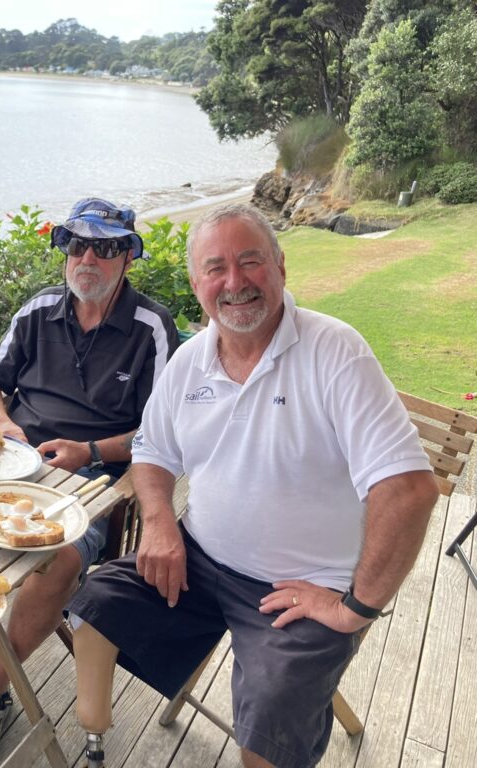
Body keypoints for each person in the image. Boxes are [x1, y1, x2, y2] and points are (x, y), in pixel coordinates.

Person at [67, 203, 439, 768]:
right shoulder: (189, 362)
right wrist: (162, 524)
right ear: (197, 285)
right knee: (94, 602)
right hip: (195, 562)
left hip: (298, 589)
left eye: (250, 262)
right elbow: (151, 451)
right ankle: (94, 744)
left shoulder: (335, 352)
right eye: (216, 269)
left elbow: (410, 489)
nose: (235, 283)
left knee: (266, 733)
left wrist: (355, 608)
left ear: (281, 267)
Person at [0, 198, 179, 767]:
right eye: (77, 245)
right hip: (12, 466)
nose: (87, 258)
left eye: (104, 248)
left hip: (91, 483)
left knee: (58, 563)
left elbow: (165, 430)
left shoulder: (151, 328)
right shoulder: (37, 312)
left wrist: (91, 450)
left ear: (126, 258)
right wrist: (5, 428)